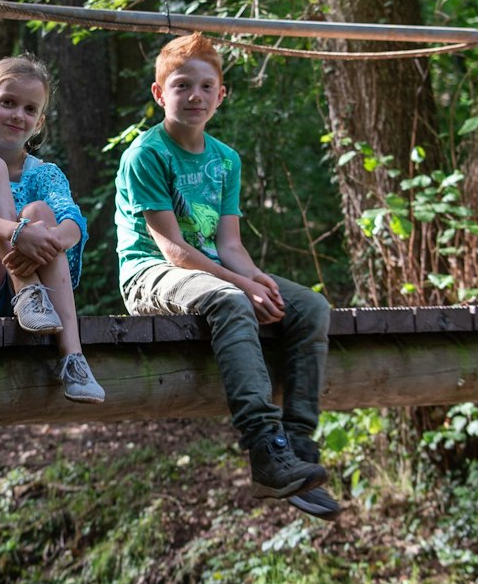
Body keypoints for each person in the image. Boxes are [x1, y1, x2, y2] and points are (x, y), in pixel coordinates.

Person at [113, 34, 338, 520]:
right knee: (233, 302)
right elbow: (172, 251)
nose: (194, 95)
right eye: (181, 85)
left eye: (205, 86)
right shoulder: (146, 155)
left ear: (221, 95)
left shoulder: (225, 159)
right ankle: (265, 447)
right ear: (159, 94)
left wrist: (259, 279)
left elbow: (229, 244)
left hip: (209, 272)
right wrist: (242, 287)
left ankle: (298, 444)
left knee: (310, 307)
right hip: (150, 275)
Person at [0, 56, 106, 404]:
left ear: (39, 122)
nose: (18, 115)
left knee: (41, 212)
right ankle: (25, 288)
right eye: (8, 103)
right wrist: (17, 233)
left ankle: (73, 359)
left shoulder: (45, 172)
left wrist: (47, 237)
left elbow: (73, 222)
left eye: (30, 109)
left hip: (42, 304)